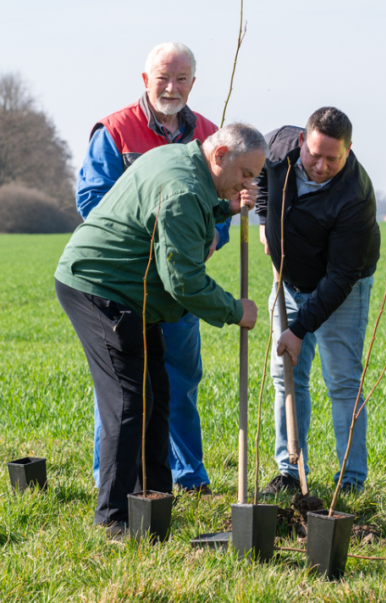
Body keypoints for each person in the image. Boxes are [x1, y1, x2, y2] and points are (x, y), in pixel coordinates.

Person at [56, 122, 266, 534]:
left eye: (254, 177)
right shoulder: (184, 188)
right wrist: (235, 310)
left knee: (157, 395)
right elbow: (184, 281)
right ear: (219, 155)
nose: (249, 183)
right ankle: (113, 520)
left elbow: (186, 213)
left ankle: (153, 499)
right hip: (99, 288)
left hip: (135, 294)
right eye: (245, 173)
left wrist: (227, 208)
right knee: (128, 400)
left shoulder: (184, 161)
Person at [76, 42, 225, 494]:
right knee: (121, 385)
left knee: (180, 377)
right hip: (127, 284)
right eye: (163, 78)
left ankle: (186, 475)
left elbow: (225, 205)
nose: (171, 87)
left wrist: (210, 238)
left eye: (181, 79)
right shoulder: (115, 131)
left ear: (193, 84)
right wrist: (156, 241)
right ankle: (113, 476)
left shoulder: (209, 134)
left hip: (179, 284)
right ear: (145, 80)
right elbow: (91, 203)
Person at [254, 107, 380, 494]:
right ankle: (290, 472)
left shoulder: (355, 195)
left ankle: (350, 480)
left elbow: (340, 276)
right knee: (286, 377)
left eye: (333, 158)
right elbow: (259, 175)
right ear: (300, 142)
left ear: (349, 150)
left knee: (342, 381)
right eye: (314, 154)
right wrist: (263, 219)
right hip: (289, 278)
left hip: (341, 286)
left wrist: (299, 328)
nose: (321, 165)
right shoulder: (276, 147)